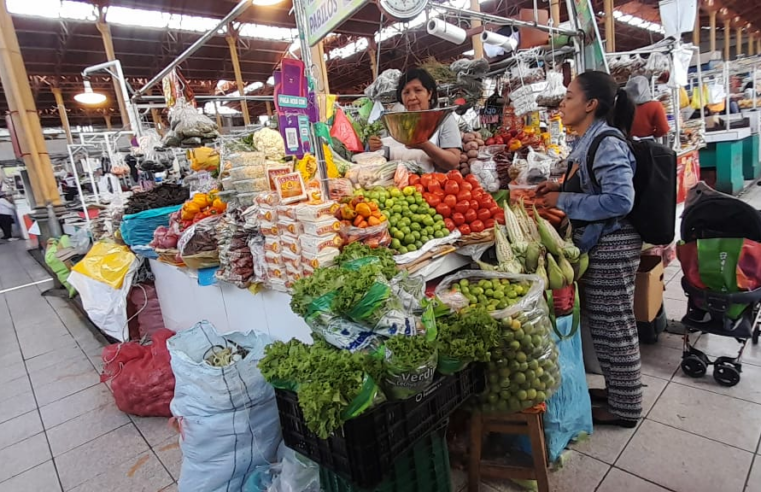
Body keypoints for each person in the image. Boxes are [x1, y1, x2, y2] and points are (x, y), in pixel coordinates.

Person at [536, 71, 643, 428]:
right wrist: (558, 185)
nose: (562, 104)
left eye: (569, 97)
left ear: (591, 104)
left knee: (614, 326)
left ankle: (626, 407)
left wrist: (563, 198)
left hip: (613, 244)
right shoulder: (588, 139)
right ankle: (618, 391)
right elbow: (593, 184)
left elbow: (619, 200)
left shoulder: (607, 140)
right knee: (604, 323)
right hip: (601, 243)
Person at [368, 68, 461, 173]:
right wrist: (375, 148)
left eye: (418, 90)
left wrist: (424, 145)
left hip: (431, 185)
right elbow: (386, 154)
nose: (412, 97)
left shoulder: (443, 119)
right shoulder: (392, 119)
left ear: (429, 93)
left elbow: (452, 162)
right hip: (397, 186)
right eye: (406, 92)